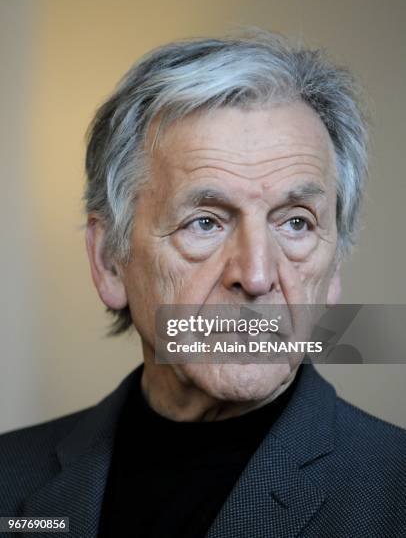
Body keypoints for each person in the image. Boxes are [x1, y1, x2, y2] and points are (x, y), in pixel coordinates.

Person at [0, 31, 405, 538]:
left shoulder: (394, 494)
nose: (257, 277)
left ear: (333, 270)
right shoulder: (8, 479)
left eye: (297, 222)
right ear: (109, 262)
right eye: (206, 222)